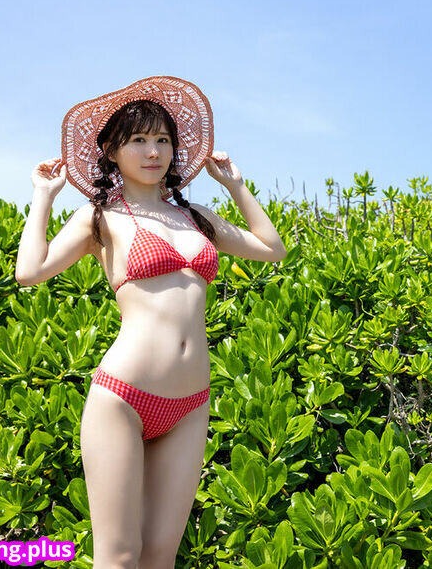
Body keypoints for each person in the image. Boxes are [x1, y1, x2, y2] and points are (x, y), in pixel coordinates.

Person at [15, 76, 287, 568]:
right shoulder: (99, 217)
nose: (153, 151)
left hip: (190, 404)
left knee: (160, 556)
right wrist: (43, 198)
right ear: (112, 151)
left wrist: (236, 186)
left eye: (162, 139)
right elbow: (29, 272)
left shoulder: (196, 217)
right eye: (138, 140)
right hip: (123, 396)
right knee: (120, 556)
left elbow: (272, 249)